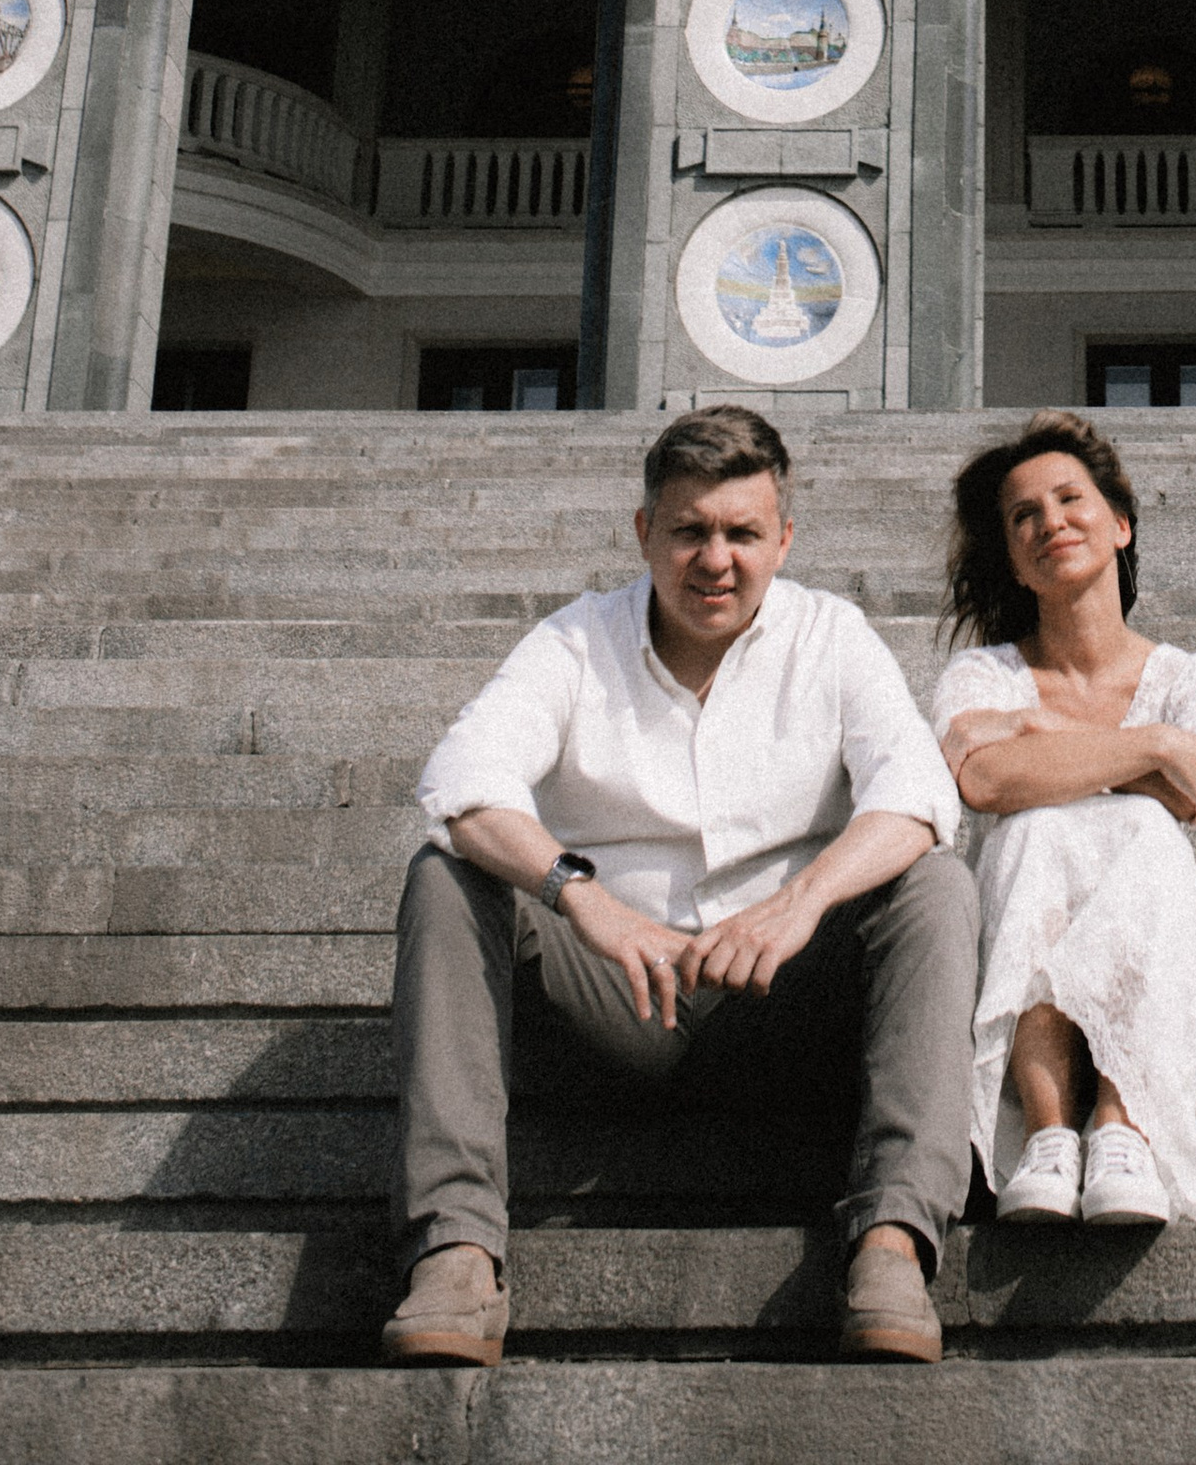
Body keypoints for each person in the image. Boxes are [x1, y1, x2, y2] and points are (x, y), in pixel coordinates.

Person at [384, 404, 977, 1369]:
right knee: (446, 878)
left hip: (785, 1002)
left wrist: (801, 902)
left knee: (937, 888)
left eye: (743, 533)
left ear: (783, 540)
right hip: (613, 1002)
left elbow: (917, 797)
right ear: (643, 534)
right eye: (690, 531)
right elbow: (460, 781)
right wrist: (584, 897)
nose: (716, 560)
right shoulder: (576, 642)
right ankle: (454, 1251)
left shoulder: (832, 637)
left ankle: (891, 1244)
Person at [931, 414, 1196, 1231]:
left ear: (1119, 523)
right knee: (1035, 832)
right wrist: (1150, 746)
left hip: (1158, 946)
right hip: (1024, 919)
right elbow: (986, 779)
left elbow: (1195, 791)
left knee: (1141, 830)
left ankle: (1122, 1127)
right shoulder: (980, 672)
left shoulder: (1191, 679)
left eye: (1070, 499)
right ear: (1011, 555)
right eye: (1023, 515)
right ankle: (1049, 1139)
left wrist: (1036, 734)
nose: (1049, 522)